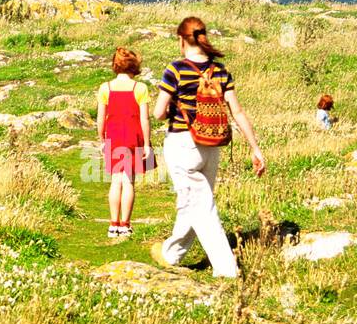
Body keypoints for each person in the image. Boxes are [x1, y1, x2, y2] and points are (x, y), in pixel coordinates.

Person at [150, 16, 266, 278]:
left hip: (182, 143)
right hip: (212, 144)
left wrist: (173, 107)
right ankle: (172, 253)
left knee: (201, 206)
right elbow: (236, 111)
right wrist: (255, 148)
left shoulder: (176, 69)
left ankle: (226, 270)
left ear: (181, 39)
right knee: (194, 201)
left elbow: (158, 113)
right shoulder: (221, 71)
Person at [96, 47, 152, 238]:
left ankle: (113, 224)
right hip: (133, 137)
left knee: (115, 181)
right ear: (134, 65)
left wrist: (101, 138)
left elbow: (101, 118)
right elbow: (145, 119)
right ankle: (125, 225)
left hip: (113, 136)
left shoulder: (106, 88)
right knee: (129, 181)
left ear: (115, 65)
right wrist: (146, 144)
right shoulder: (140, 88)